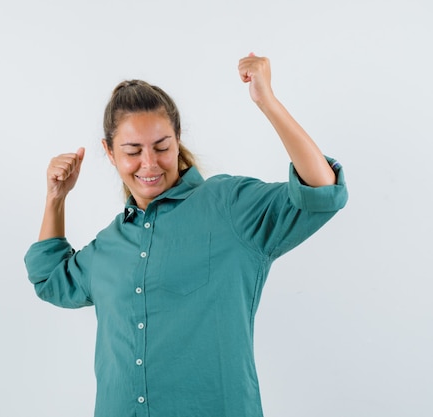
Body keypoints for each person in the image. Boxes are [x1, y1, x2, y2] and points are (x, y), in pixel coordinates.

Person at [24, 54, 348, 417]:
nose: (149, 164)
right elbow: (50, 279)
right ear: (109, 153)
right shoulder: (109, 245)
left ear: (177, 141)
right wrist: (56, 197)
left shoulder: (230, 207)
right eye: (133, 151)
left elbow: (322, 191)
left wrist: (266, 101)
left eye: (161, 147)